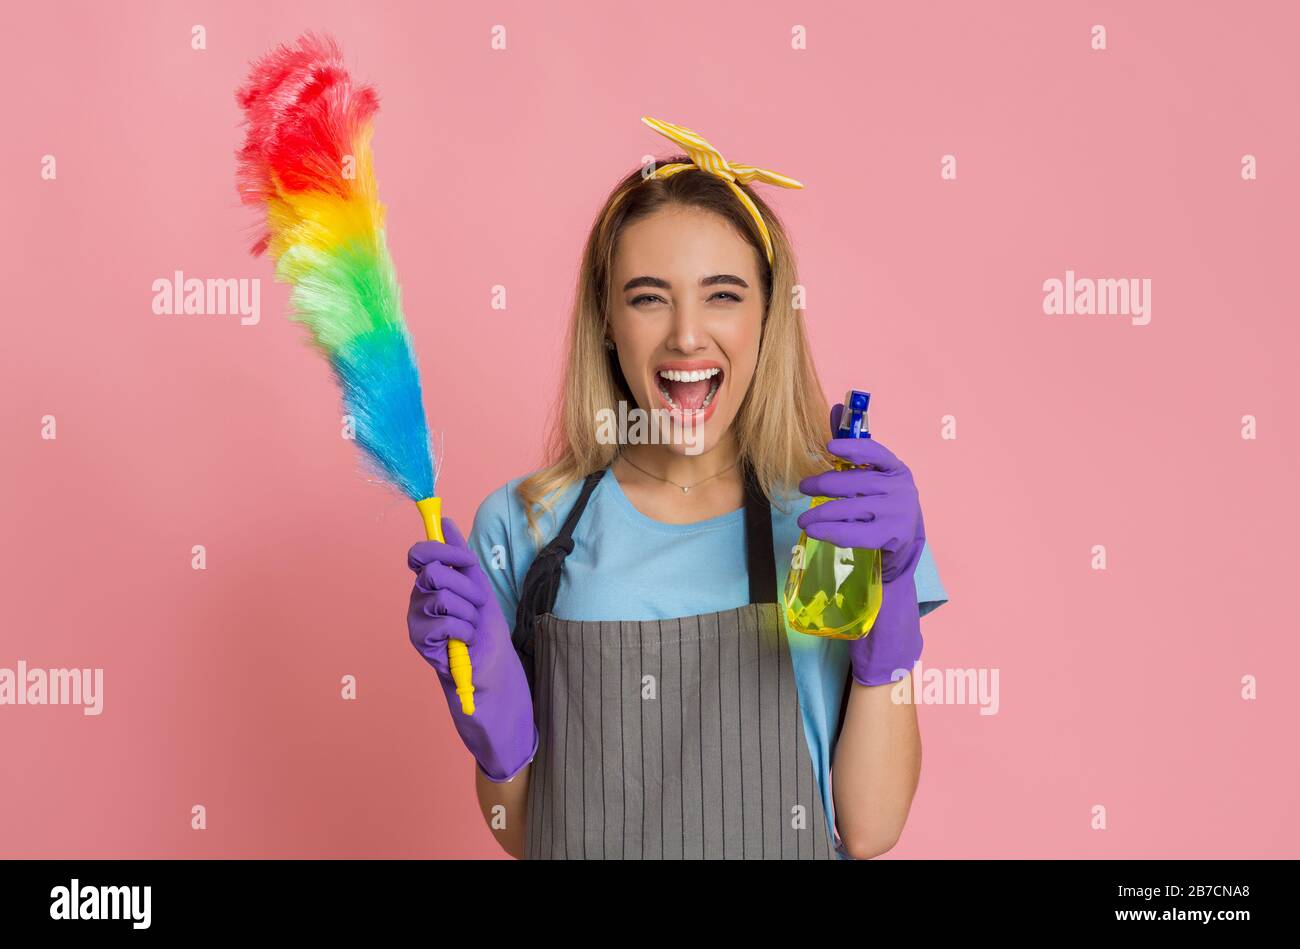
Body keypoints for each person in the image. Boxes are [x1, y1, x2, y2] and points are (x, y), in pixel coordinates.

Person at [406, 117, 949, 860]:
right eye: (648, 297)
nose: (687, 336)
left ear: (767, 315)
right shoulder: (525, 525)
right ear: (607, 320)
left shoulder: (835, 521)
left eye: (722, 295)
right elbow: (526, 834)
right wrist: (498, 728)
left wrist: (891, 607)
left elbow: (871, 826)